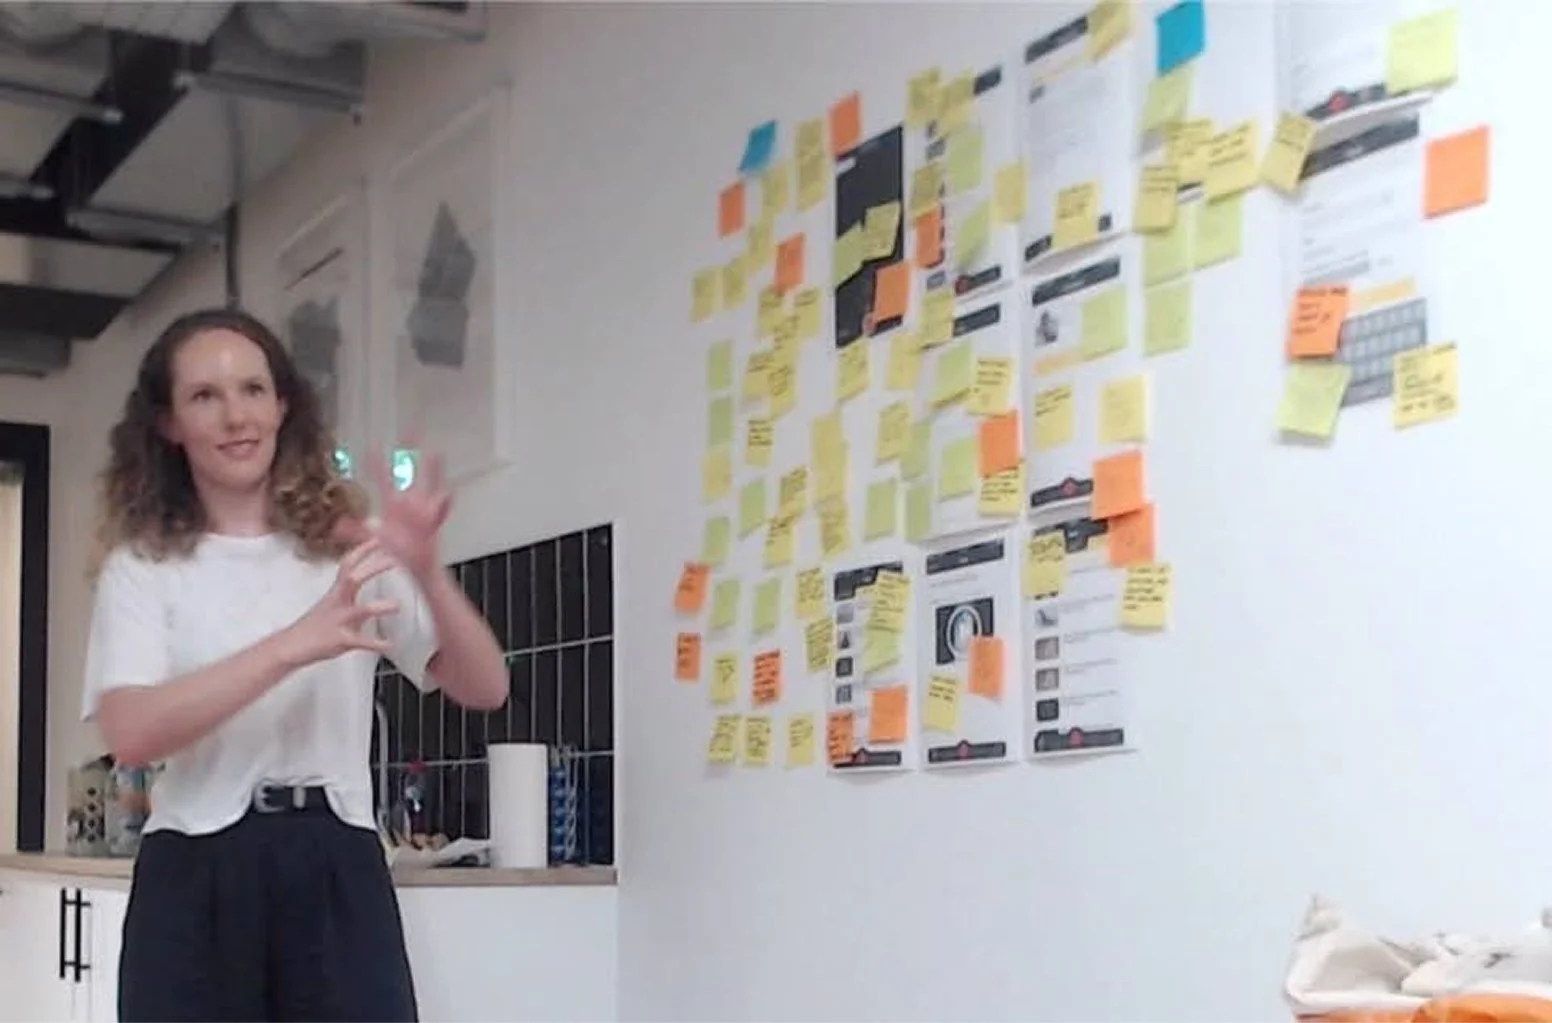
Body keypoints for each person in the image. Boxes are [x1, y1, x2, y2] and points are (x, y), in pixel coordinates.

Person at [79, 307, 509, 1022]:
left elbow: (486, 685)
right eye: (204, 396)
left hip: (337, 863)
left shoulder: (347, 544)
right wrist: (293, 643)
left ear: (283, 404)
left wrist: (429, 574)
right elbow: (131, 732)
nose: (235, 415)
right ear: (168, 423)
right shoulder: (143, 564)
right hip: (195, 876)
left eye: (252, 389)